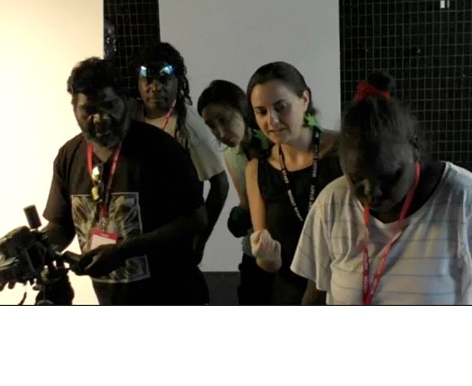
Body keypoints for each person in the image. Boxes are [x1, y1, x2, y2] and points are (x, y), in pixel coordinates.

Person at [0, 57, 209, 305]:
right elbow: (61, 227)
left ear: (124, 100)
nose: (100, 119)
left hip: (173, 298)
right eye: (89, 110)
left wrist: (125, 250)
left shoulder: (161, 149)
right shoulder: (69, 156)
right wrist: (28, 255)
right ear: (75, 109)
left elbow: (195, 219)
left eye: (108, 106)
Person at [291, 71, 472, 305]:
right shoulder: (332, 202)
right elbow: (315, 298)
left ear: (415, 147)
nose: (372, 192)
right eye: (357, 178)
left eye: (389, 177)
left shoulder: (466, 202)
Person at [245, 62, 343, 305]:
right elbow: (269, 262)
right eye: (261, 111)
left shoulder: (343, 151)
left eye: (281, 107)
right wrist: (265, 257)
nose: (272, 121)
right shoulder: (257, 169)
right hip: (290, 294)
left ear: (305, 99)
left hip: (342, 291)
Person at [131, 42, 229, 263]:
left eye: (164, 79)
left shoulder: (189, 126)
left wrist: (201, 239)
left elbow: (220, 183)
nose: (155, 87)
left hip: (175, 235)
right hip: (136, 234)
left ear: (177, 82)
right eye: (148, 79)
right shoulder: (129, 116)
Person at [197, 79, 273, 305]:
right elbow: (246, 201)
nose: (220, 132)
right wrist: (241, 213)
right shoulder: (232, 154)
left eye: (224, 119)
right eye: (211, 125)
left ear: (241, 108)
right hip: (254, 251)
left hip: (286, 252)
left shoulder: (275, 142)